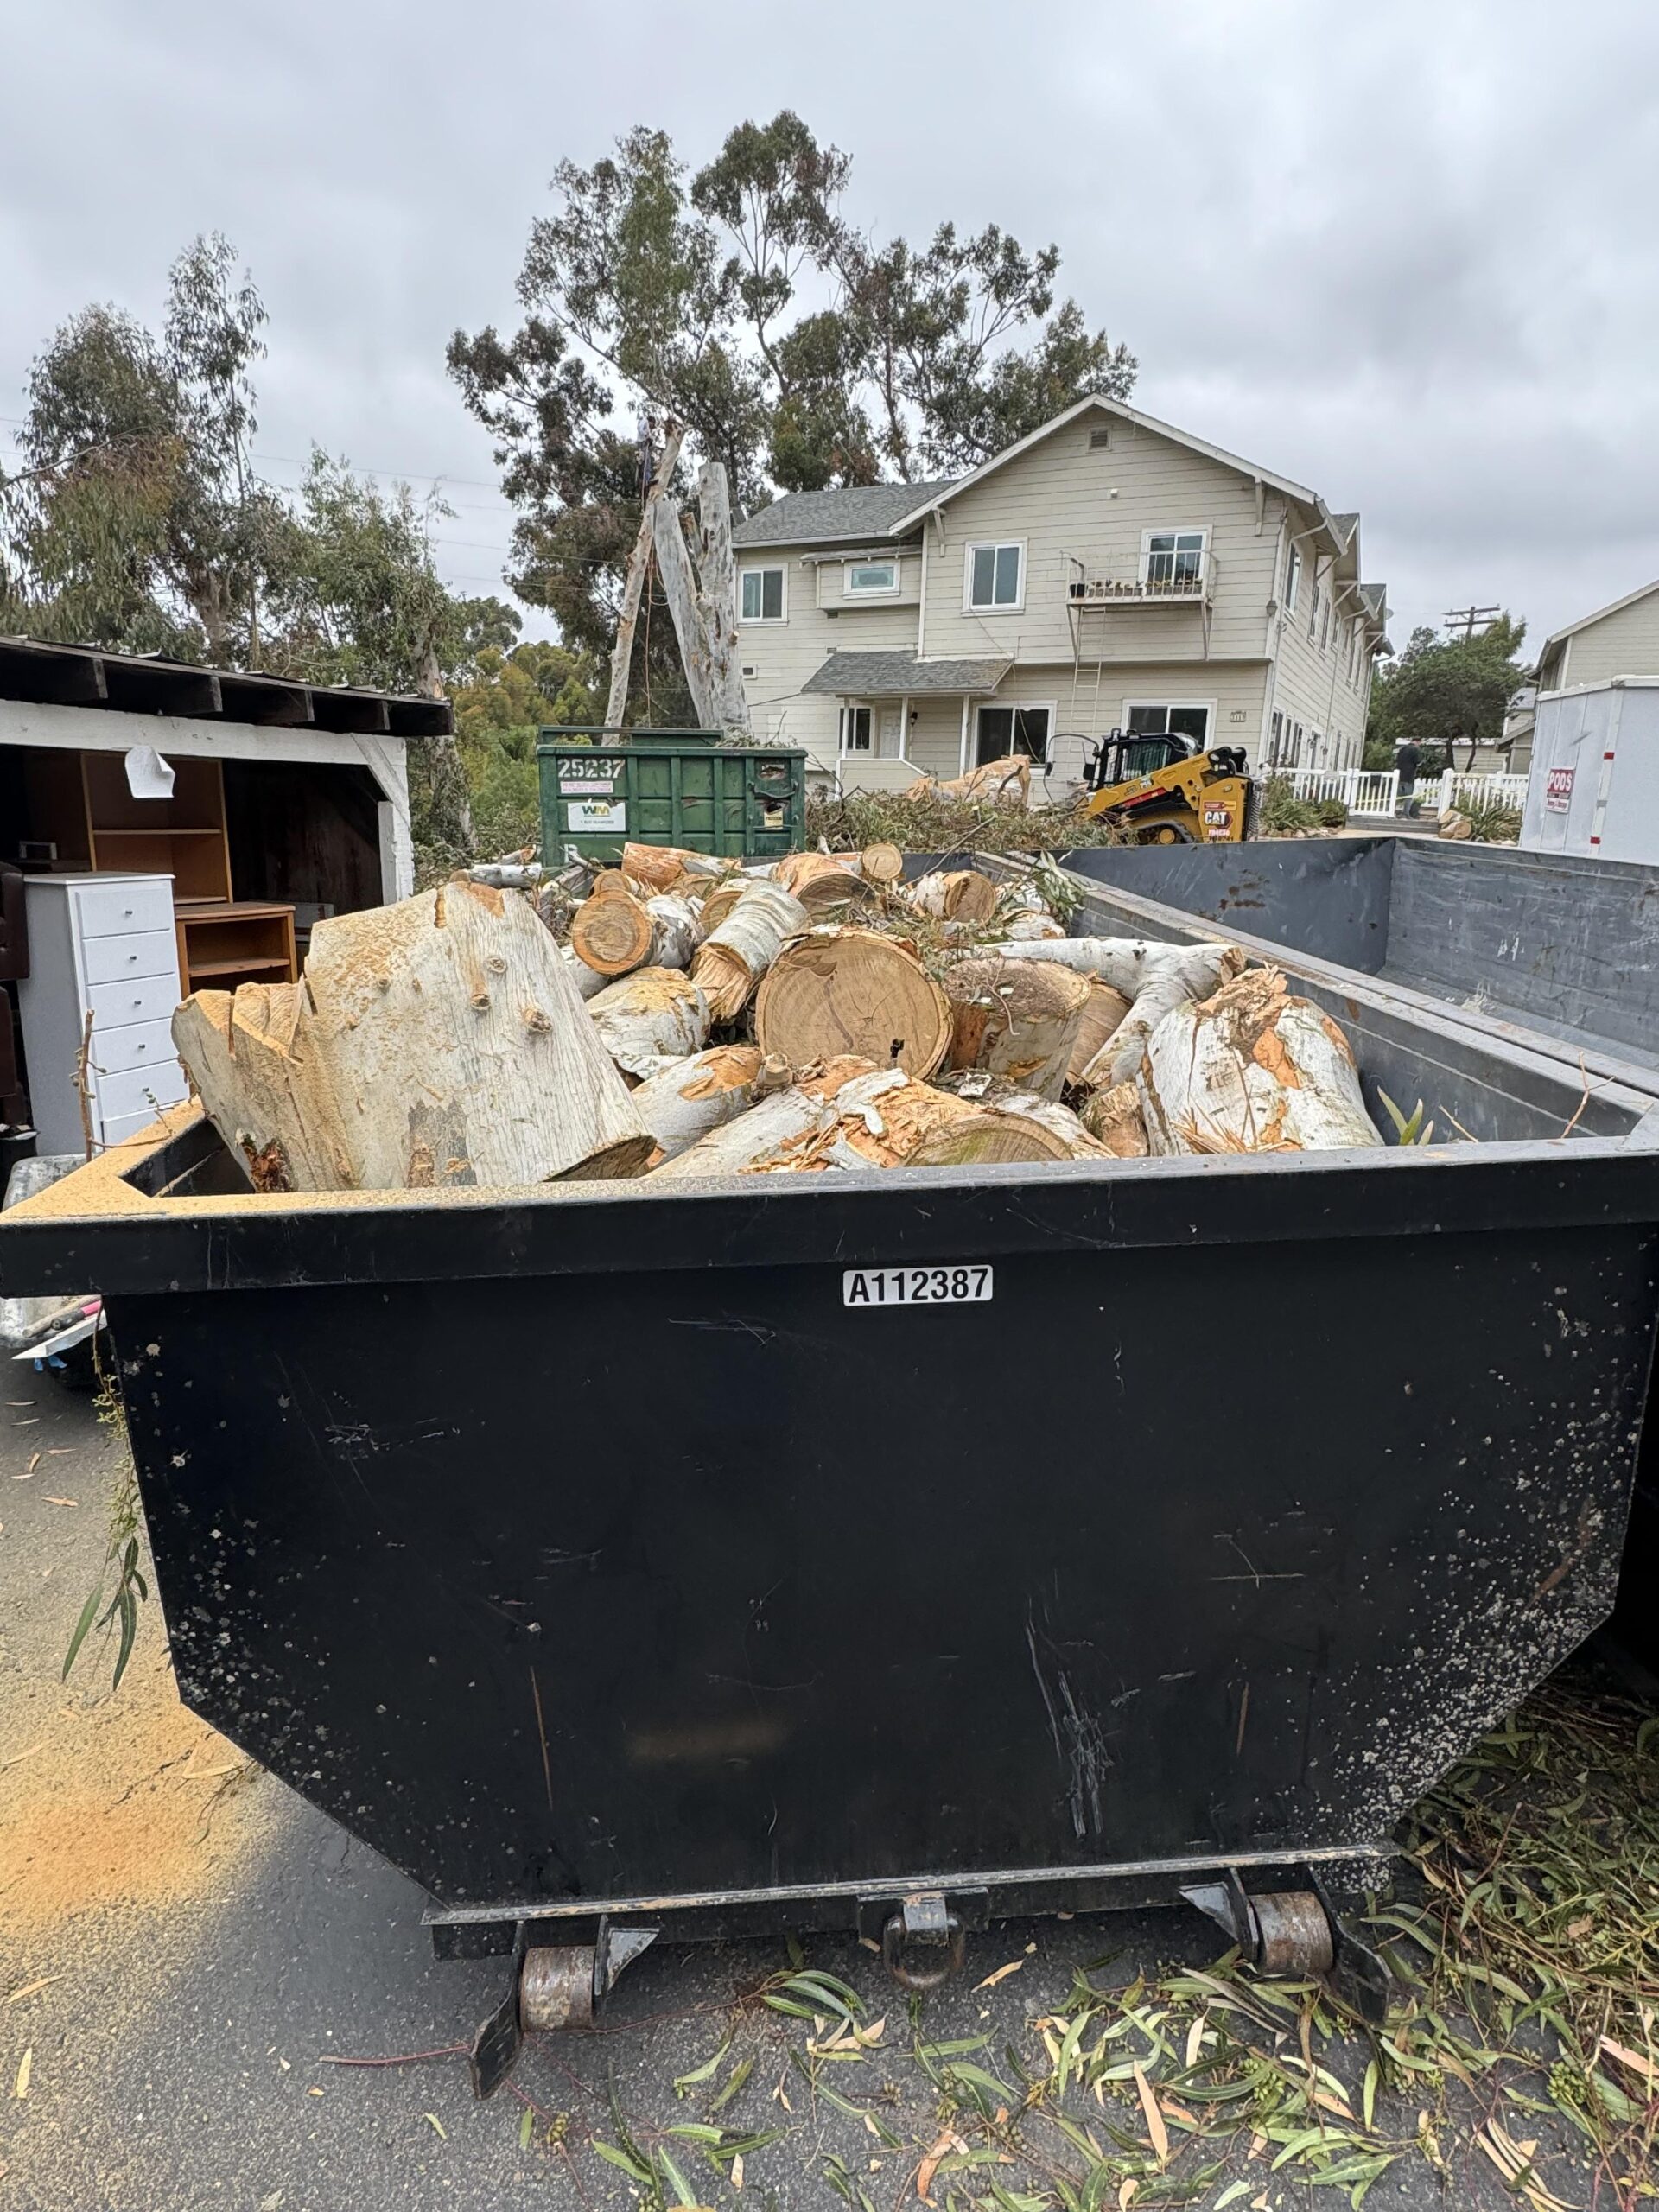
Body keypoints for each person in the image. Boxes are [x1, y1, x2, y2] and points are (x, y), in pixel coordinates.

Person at [1395, 739, 1422, 816]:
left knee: (1397, 795)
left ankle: (1392, 811)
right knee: (1409, 796)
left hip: (1400, 775)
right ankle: (1406, 813)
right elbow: (1418, 762)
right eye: (1419, 743)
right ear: (1417, 742)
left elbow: (1397, 760)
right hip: (1409, 776)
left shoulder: (1402, 749)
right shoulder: (1415, 750)